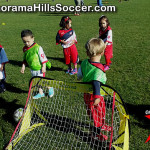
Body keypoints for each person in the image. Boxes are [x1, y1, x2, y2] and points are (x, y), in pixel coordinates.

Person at [77, 38, 111, 141]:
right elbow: (96, 83)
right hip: (95, 95)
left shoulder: (84, 63)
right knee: (97, 115)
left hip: (87, 94)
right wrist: (97, 96)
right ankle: (95, 134)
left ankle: (102, 125)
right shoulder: (98, 69)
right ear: (102, 52)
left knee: (99, 113)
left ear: (87, 53)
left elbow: (79, 76)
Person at [20, 29, 54, 99]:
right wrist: (23, 66)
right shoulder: (25, 49)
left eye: (28, 41)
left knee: (42, 81)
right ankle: (41, 93)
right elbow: (25, 59)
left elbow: (43, 57)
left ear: (33, 38)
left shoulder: (38, 47)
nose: (26, 43)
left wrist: (44, 67)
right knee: (36, 82)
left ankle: (50, 88)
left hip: (39, 68)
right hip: (32, 68)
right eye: (24, 42)